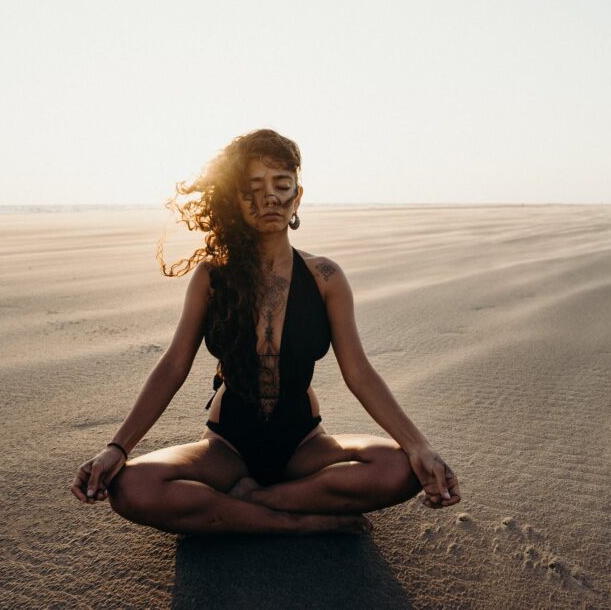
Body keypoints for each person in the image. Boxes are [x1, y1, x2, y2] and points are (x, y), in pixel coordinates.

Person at [71, 129, 461, 535]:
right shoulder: (211, 278)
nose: (270, 197)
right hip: (227, 449)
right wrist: (118, 448)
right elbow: (173, 366)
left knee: (398, 468)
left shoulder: (325, 278)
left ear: (298, 195)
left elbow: (359, 372)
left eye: (281, 184)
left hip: (305, 445)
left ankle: (251, 506)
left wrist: (420, 447)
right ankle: (296, 521)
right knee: (132, 487)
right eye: (253, 188)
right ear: (234, 200)